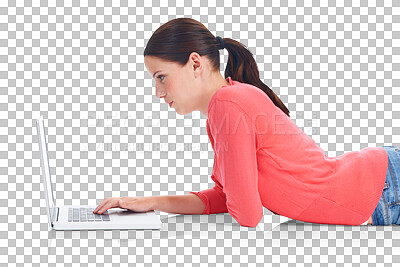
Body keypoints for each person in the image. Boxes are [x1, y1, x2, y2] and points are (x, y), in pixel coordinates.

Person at [93, 17, 398, 227]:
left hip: (384, 188)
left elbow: (248, 214)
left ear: (195, 63)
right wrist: (149, 202)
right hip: (381, 185)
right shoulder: (226, 105)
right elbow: (225, 198)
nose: (158, 93)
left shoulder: (228, 105)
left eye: (161, 77)